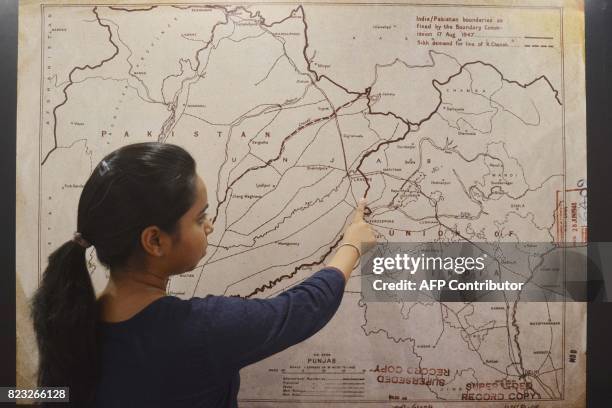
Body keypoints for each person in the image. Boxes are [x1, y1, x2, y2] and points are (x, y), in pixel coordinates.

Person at [30, 142, 377, 407]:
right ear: (154, 240)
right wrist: (352, 246)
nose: (209, 226)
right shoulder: (200, 332)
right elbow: (302, 310)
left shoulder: (71, 323)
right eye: (199, 218)